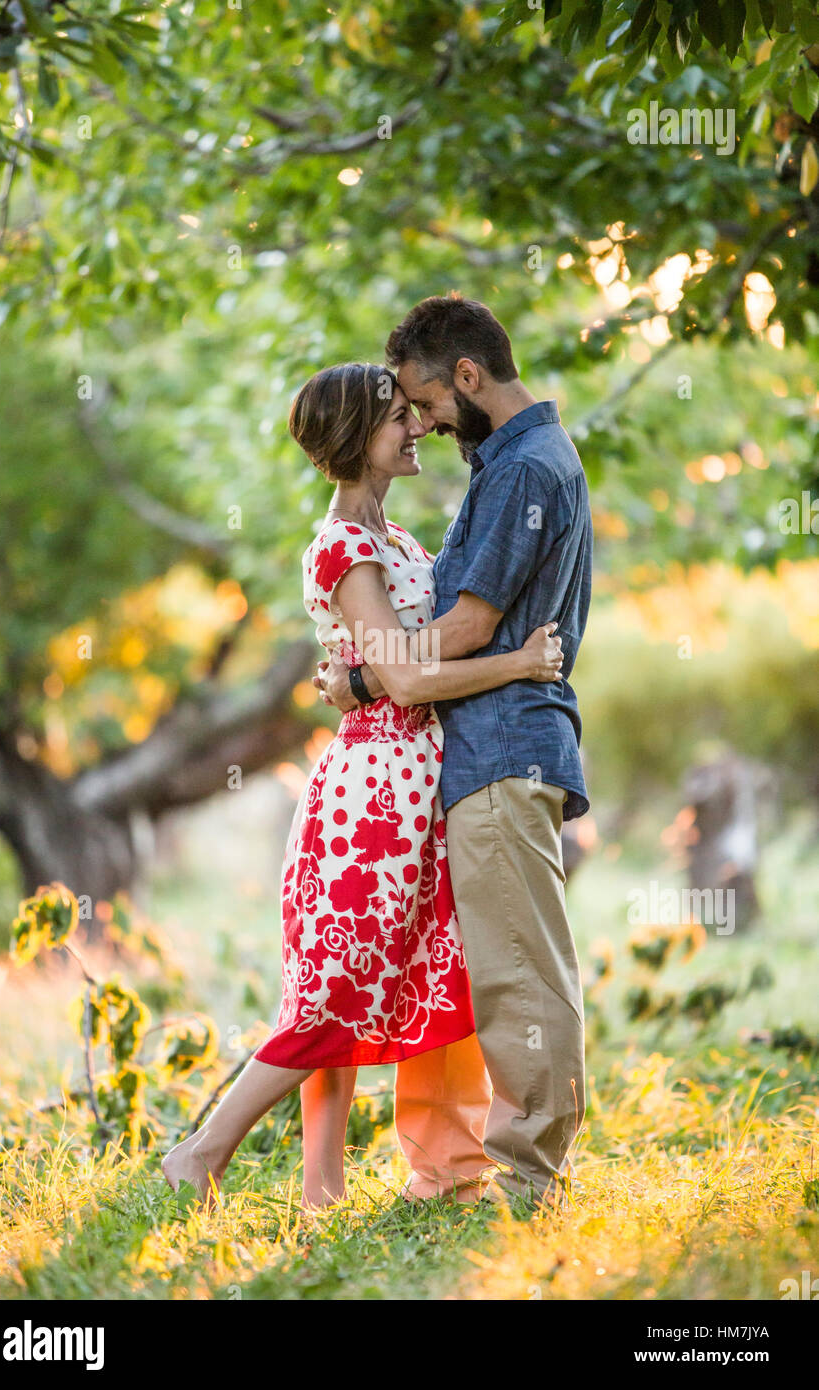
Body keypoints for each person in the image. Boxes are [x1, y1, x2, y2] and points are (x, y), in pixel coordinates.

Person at [161, 360, 563, 1211]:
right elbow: (409, 680)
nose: (417, 426)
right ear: (356, 439)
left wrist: (361, 673)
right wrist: (517, 662)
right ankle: (202, 1150)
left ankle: (323, 1191)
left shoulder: (399, 543)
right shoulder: (343, 545)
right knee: (339, 989)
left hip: (416, 785)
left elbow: (390, 662)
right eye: (397, 418)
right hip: (374, 793)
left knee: (394, 979)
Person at [316, 296, 593, 1214]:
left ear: (468, 377)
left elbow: (471, 626)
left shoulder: (523, 471)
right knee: (505, 969)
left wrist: (366, 679)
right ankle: (480, 1167)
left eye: (426, 401)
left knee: (522, 972)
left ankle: (526, 1176)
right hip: (484, 753)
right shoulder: (507, 463)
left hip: (508, 745)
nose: (424, 421)